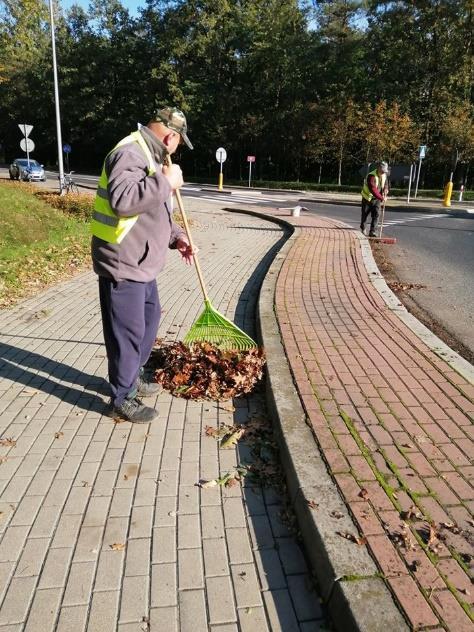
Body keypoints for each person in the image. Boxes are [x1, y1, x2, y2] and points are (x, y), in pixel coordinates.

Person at [91, 106, 195, 423]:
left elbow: (154, 212)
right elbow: (124, 202)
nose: (178, 149)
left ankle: (131, 376)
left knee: (148, 324)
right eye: (179, 142)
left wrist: (177, 237)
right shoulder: (130, 153)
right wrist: (167, 182)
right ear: (170, 136)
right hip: (123, 263)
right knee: (128, 333)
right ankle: (122, 397)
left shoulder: (153, 157)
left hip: (142, 262)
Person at [360, 161, 389, 237]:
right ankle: (363, 227)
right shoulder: (371, 176)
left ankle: (373, 231)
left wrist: (386, 188)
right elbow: (373, 190)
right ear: (378, 168)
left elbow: (386, 183)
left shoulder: (384, 175)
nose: (383, 172)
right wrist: (382, 198)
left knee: (376, 214)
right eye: (382, 170)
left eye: (385, 171)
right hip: (367, 198)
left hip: (377, 199)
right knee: (365, 214)